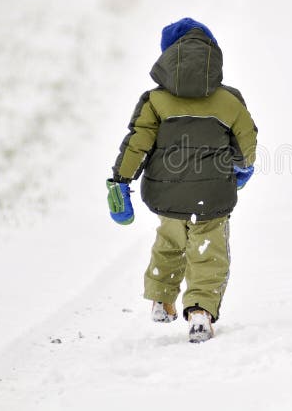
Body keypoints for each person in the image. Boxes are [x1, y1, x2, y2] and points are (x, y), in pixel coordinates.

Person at [107, 17, 257, 341]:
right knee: (208, 251)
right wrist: (242, 167)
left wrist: (120, 181)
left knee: (170, 242)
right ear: (212, 59)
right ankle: (200, 313)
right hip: (213, 195)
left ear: (167, 58)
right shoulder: (229, 100)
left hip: (167, 195)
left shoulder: (155, 101)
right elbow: (246, 141)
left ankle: (162, 300)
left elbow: (137, 143)